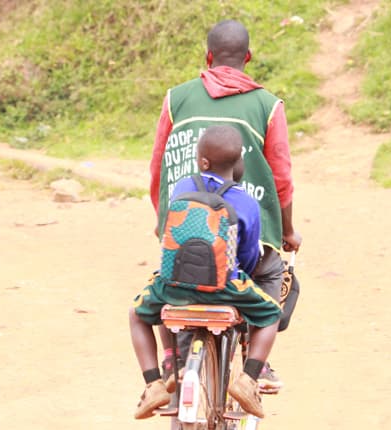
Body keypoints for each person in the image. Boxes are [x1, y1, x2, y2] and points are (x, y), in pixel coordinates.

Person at [150, 19, 301, 391]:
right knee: (269, 275)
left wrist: (165, 219)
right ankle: (255, 364)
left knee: (175, 278)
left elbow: (159, 166)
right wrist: (287, 231)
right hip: (250, 225)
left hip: (183, 222)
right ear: (247, 57)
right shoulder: (267, 105)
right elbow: (281, 176)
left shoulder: (177, 98)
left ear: (208, 55)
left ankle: (172, 364)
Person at [130, 126, 281, 419]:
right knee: (272, 314)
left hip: (173, 284)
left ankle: (154, 384)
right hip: (225, 286)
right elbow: (249, 255)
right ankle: (249, 379)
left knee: (137, 315)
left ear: (202, 162)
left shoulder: (182, 187)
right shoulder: (246, 202)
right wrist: (238, 276)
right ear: (238, 164)